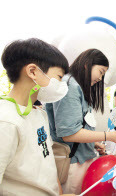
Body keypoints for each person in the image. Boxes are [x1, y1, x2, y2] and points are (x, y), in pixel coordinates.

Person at [45, 49, 116, 194]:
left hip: (79, 159)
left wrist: (92, 142)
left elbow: (79, 126)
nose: (100, 78)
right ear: (87, 64)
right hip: (72, 163)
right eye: (101, 71)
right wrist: (108, 136)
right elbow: (69, 133)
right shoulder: (70, 86)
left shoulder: (77, 86)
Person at [0, 38, 75, 195]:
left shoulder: (39, 114)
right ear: (32, 71)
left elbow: (47, 162)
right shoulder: (6, 121)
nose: (62, 85)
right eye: (59, 77)